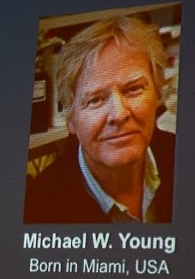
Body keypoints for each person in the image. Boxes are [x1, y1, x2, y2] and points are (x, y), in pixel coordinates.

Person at [24, 16, 176, 223]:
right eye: (95, 100)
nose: (119, 114)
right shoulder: (36, 208)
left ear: (158, 92)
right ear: (71, 120)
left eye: (133, 89)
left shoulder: (192, 164)